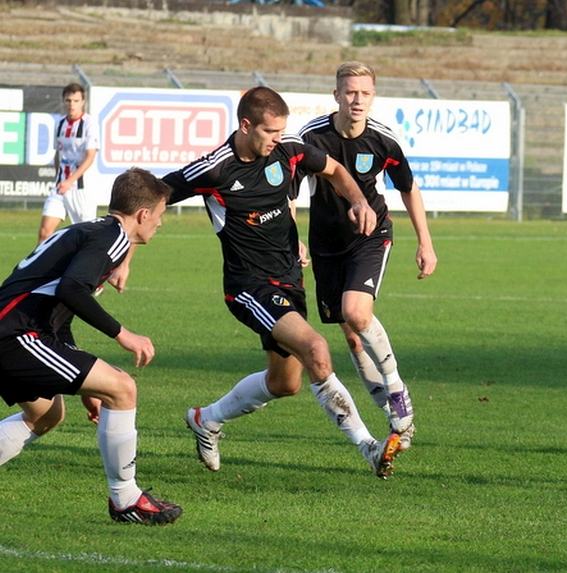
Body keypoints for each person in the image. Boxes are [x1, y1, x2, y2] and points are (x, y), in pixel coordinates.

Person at [162, 86, 401, 478]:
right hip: (249, 286)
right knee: (316, 350)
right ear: (246, 125)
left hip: (289, 278)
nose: (278, 138)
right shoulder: (215, 168)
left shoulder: (288, 150)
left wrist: (358, 200)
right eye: (270, 131)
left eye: (280, 131)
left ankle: (206, 419)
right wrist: (124, 256)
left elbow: (335, 170)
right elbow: (154, 195)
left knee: (285, 382)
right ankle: (369, 447)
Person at [0, 167, 182, 525]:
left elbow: (59, 312)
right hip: (15, 335)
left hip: (17, 331)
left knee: (46, 416)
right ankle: (126, 499)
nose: (160, 223)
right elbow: (71, 289)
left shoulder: (91, 230)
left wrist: (82, 379)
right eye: (159, 215)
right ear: (143, 214)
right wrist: (122, 334)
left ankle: (126, 498)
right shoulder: (114, 238)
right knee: (122, 388)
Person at [298, 61, 436, 451]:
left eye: (365, 93)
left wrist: (425, 243)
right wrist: (294, 239)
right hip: (326, 244)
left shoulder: (383, 140)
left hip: (370, 237)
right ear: (337, 95)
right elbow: (290, 191)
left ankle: (396, 389)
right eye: (350, 92)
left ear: (373, 96)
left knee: (357, 314)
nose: (357, 100)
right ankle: (396, 420)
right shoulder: (312, 137)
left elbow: (408, 188)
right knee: (353, 337)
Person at [38, 83, 100, 244]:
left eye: (76, 101)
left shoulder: (89, 124)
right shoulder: (60, 123)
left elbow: (90, 157)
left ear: (83, 102)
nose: (72, 104)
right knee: (45, 233)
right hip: (60, 188)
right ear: (63, 101)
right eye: (68, 100)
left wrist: (70, 181)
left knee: (86, 237)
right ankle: (40, 262)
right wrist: (60, 179)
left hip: (81, 189)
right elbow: (58, 154)